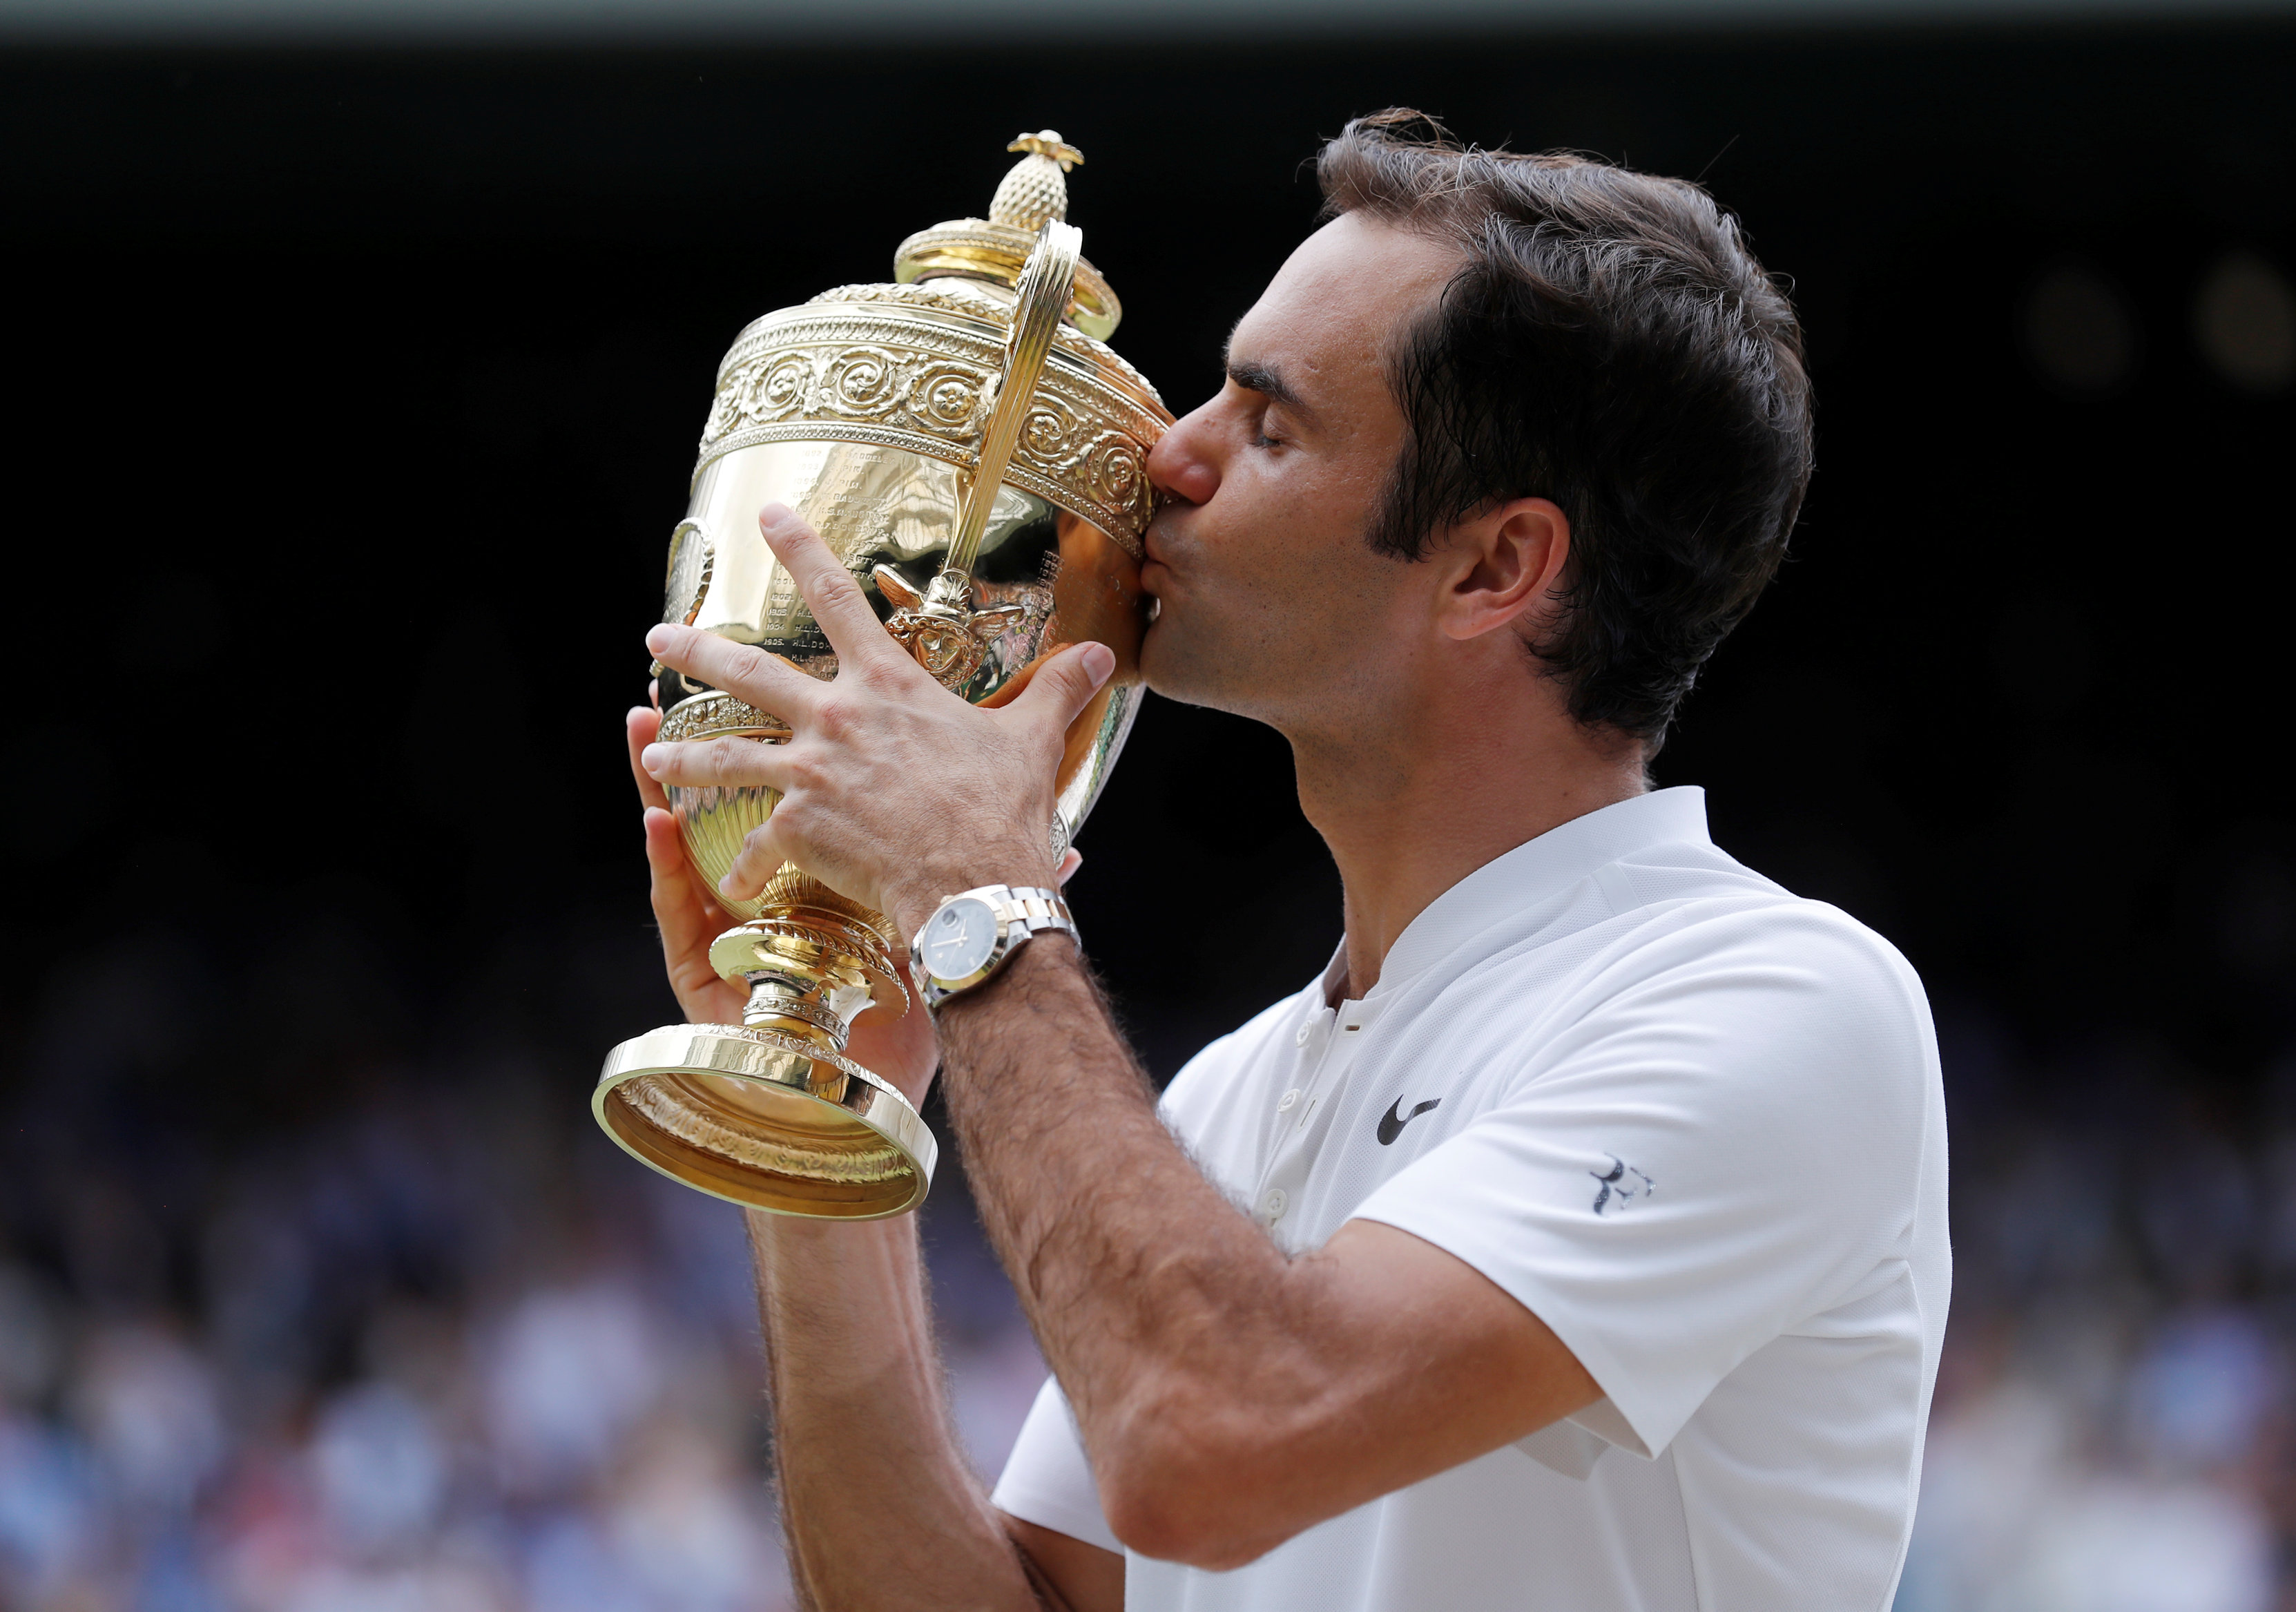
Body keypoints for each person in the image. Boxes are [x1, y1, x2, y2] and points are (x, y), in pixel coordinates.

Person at [628, 108, 1947, 1612]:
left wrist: (976, 903)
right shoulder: (1239, 1084)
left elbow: (1208, 1446)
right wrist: (827, 1100)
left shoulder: (1775, 1003)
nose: (1164, 456)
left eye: (1266, 424)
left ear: (1493, 568)